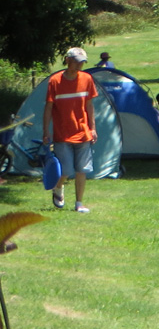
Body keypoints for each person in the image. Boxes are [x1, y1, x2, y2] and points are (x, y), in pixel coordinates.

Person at [42, 47, 97, 213]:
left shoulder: (87, 79)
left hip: (83, 132)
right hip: (62, 133)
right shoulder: (55, 81)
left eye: (82, 63)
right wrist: (46, 131)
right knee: (65, 170)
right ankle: (58, 187)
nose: (80, 66)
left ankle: (79, 203)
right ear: (68, 61)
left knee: (82, 170)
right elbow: (48, 108)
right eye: (77, 62)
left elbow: (89, 106)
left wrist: (93, 128)